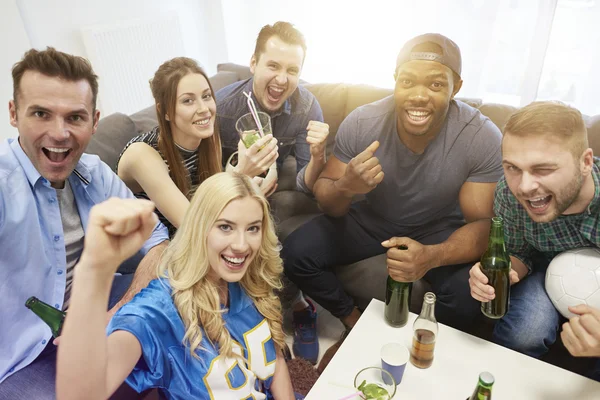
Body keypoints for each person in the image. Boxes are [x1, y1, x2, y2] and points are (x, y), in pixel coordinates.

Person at [282, 33, 504, 372]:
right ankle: (354, 322)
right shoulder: (363, 121)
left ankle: (425, 347)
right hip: (373, 216)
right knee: (297, 251)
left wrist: (432, 256)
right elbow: (328, 199)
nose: (418, 96)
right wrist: (346, 185)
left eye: (435, 85)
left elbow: (483, 224)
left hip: (439, 227)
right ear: (395, 81)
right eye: (408, 82)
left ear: (455, 87)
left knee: (465, 292)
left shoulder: (479, 136)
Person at [0, 48, 169, 398]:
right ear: (14, 114)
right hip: (23, 352)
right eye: (41, 114)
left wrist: (120, 310)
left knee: (180, 304)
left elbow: (158, 239)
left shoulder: (94, 172)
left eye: (74, 118)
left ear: (94, 120)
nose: (59, 133)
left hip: (96, 305)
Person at [56, 172, 297, 399]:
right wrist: (95, 270)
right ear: (198, 229)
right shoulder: (158, 309)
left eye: (253, 228)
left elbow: (274, 356)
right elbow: (81, 394)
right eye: (225, 227)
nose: (242, 245)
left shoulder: (248, 277)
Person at [216, 21, 329, 363]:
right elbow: (209, 177)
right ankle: (241, 318)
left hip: (277, 191)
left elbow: (307, 186)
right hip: (228, 187)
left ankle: (291, 307)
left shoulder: (308, 107)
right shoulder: (223, 108)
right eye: (273, 66)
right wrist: (243, 180)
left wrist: (320, 154)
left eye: (292, 70)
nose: (282, 79)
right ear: (254, 63)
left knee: (281, 236)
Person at [468, 101, 600, 381]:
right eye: (513, 167)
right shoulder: (509, 194)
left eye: (543, 169)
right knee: (525, 331)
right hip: (542, 270)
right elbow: (519, 254)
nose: (524, 187)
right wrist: (497, 273)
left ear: (585, 162)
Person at [116, 57, 223, 238]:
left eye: (206, 96)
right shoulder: (141, 154)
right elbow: (193, 226)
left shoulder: (206, 135)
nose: (204, 108)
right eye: (188, 101)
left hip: (185, 242)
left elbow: (214, 205)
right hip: (146, 249)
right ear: (165, 111)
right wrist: (240, 176)